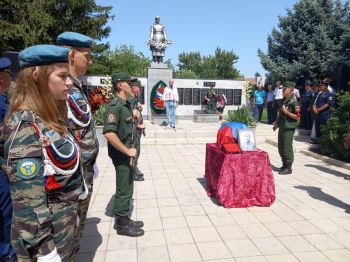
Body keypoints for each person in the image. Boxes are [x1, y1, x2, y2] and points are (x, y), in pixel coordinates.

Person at [1, 45, 83, 261]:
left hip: (63, 231)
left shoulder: (48, 118)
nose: (68, 83)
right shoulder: (25, 127)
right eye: (62, 76)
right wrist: (46, 252)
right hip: (44, 244)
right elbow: (28, 202)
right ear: (37, 76)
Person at [57, 31, 100, 254]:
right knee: (66, 236)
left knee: (75, 233)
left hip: (83, 171)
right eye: (87, 55)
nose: (90, 61)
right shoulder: (60, 90)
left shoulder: (75, 87)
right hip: (70, 178)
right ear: (72, 55)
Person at [103, 72, 144, 237]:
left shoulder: (126, 105)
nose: (132, 86)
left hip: (129, 155)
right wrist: (127, 151)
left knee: (128, 185)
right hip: (122, 155)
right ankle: (122, 224)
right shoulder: (115, 107)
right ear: (120, 85)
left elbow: (131, 126)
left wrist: (138, 117)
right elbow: (109, 133)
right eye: (128, 82)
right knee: (124, 189)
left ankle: (125, 218)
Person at [0, 57, 16, 262]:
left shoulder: (5, 101)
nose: (11, 77)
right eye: (7, 73)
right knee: (4, 213)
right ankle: (6, 253)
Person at [273, 82, 300, 175]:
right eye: (284, 88)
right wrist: (276, 123)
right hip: (283, 126)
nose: (284, 90)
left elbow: (297, 117)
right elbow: (281, 114)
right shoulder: (285, 101)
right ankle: (284, 164)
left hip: (289, 127)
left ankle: (288, 167)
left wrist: (286, 112)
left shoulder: (294, 102)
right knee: (281, 147)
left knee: (287, 147)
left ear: (291, 90)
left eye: (286, 88)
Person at [130, 80, 146, 181]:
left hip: (137, 132)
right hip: (133, 131)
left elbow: (136, 113)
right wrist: (138, 126)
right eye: (138, 88)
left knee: (137, 151)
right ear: (133, 87)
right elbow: (129, 117)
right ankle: (133, 171)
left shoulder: (134, 99)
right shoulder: (130, 100)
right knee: (135, 150)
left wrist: (140, 108)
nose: (139, 90)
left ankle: (135, 167)